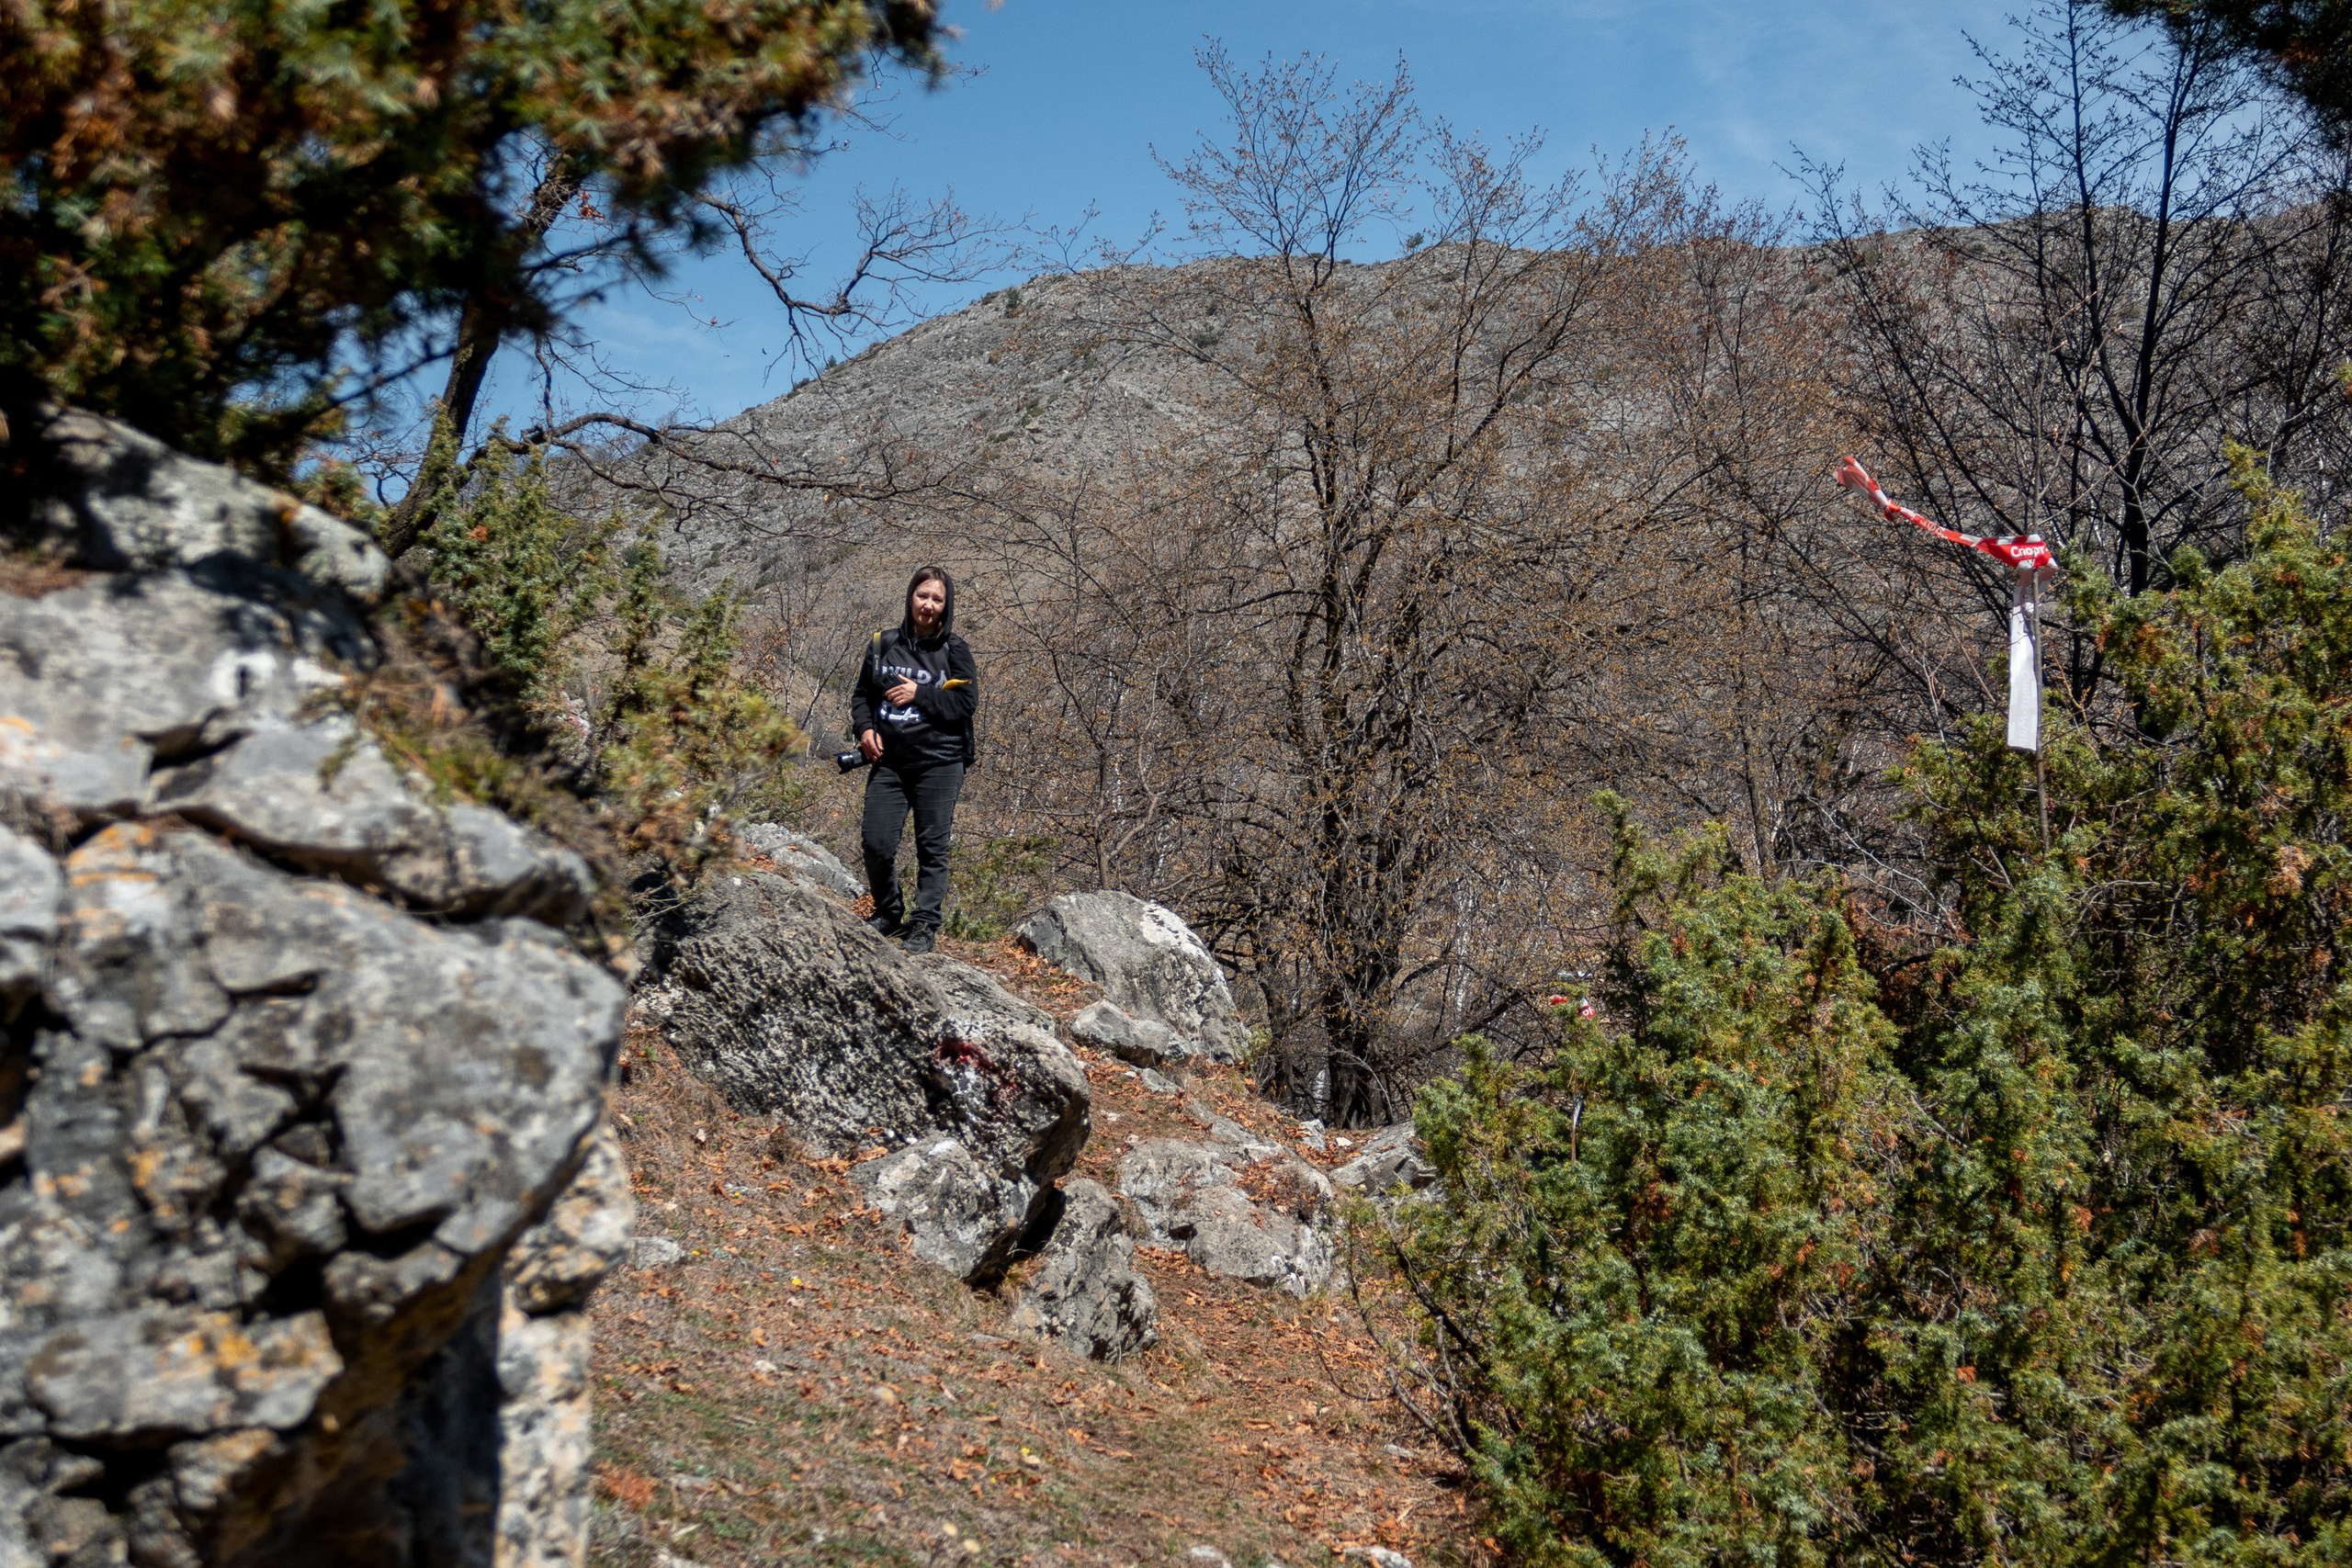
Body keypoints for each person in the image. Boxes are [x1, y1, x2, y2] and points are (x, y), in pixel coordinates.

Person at [849, 566, 978, 953]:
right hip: (889, 761)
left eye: (937, 599)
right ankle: (888, 912)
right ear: (910, 597)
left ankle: (923, 924)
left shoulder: (955, 651)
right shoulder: (883, 644)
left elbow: (965, 705)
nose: (928, 605)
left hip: (940, 761)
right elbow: (862, 697)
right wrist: (865, 730)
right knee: (876, 842)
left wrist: (919, 694)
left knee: (931, 845)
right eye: (923, 596)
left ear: (946, 606)